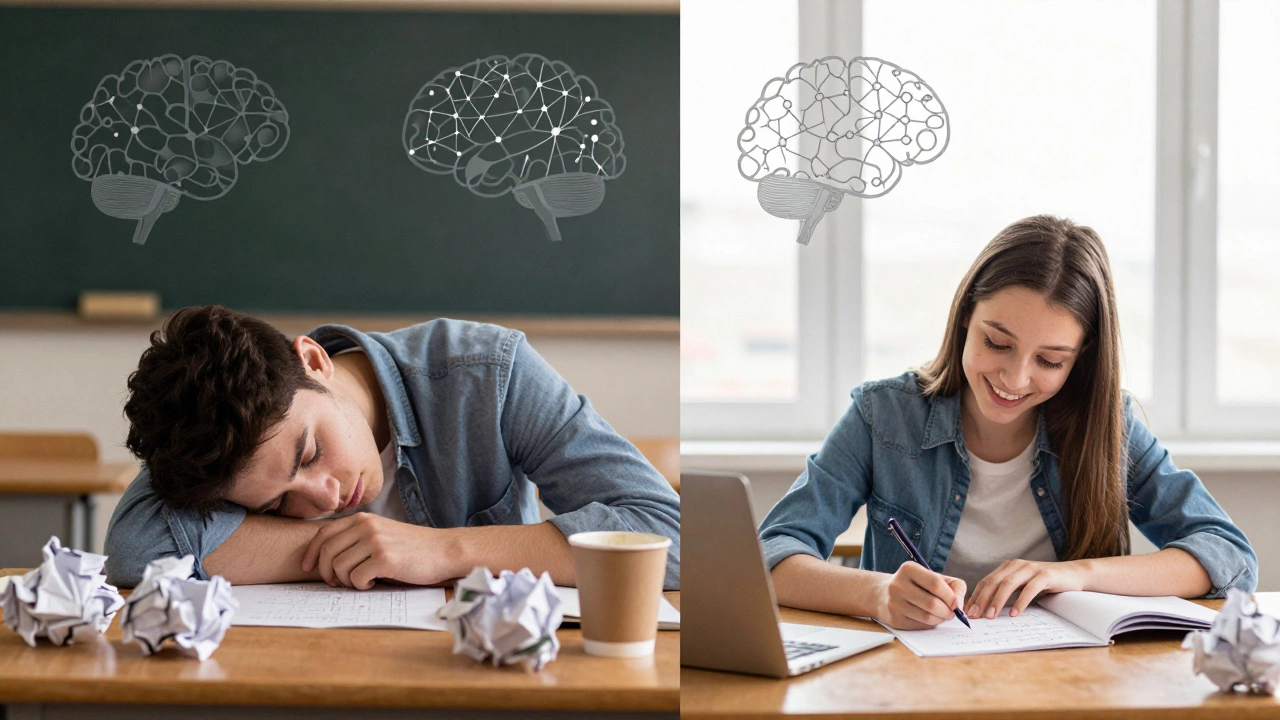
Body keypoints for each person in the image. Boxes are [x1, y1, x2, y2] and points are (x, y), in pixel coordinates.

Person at [759, 215, 1256, 630]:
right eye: (997, 343)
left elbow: (1226, 555)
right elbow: (770, 552)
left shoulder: (1109, 426)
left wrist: (1078, 575)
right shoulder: (883, 415)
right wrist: (877, 593)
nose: (1014, 379)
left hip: (1069, 680)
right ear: (965, 318)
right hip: (912, 680)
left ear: (1081, 357)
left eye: (1050, 360)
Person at [104, 306, 681, 590]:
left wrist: (443, 551)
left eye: (309, 453)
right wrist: (353, 549)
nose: (322, 498)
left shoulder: (488, 374)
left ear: (314, 361)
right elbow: (135, 548)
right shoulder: (212, 436)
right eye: (277, 505)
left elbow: (671, 536)